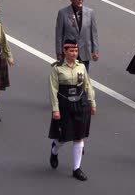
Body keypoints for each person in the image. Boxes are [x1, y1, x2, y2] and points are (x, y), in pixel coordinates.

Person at [48, 39, 97, 181]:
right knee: (63, 137)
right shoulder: (57, 68)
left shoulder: (81, 67)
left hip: (80, 104)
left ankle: (76, 169)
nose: (74, 54)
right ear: (65, 51)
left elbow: (87, 85)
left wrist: (92, 103)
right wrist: (55, 109)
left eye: (76, 51)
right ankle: (54, 150)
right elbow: (53, 90)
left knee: (79, 136)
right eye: (71, 51)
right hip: (64, 104)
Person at [55, 0, 99, 72]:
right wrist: (59, 52)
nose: (80, 0)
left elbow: (94, 33)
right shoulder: (63, 13)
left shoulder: (90, 12)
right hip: (69, 52)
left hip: (84, 51)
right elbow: (59, 35)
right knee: (69, 77)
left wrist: (95, 51)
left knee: (83, 77)